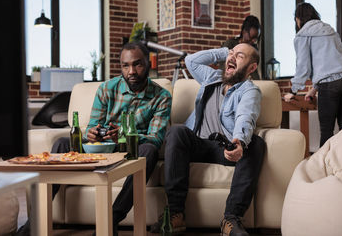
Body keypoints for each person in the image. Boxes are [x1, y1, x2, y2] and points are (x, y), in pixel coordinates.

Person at [17, 41, 172, 236]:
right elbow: (92, 125)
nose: (131, 71)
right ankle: (34, 223)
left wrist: (123, 137)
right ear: (121, 67)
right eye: (126, 65)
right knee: (62, 143)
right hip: (102, 146)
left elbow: (155, 138)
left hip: (134, 148)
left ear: (148, 64)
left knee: (149, 151)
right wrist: (91, 133)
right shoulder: (107, 89)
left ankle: (110, 220)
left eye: (137, 64)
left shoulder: (162, 96)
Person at [150, 43, 266, 236]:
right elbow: (191, 60)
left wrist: (239, 142)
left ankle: (231, 219)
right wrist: (224, 52)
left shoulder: (249, 91)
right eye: (231, 54)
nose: (232, 58)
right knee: (177, 131)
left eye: (240, 56)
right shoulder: (211, 77)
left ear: (251, 68)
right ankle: (176, 213)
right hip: (198, 143)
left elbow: (245, 116)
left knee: (256, 143)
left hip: (225, 149)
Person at [283, 2, 342, 147]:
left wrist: (293, 91)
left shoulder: (302, 35)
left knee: (327, 132)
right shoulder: (328, 29)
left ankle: (323, 168)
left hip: (331, 84)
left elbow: (303, 68)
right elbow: (333, 61)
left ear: (298, 18)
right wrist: (315, 88)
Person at [221, 15, 261, 80]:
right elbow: (223, 68)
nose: (254, 41)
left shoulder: (253, 49)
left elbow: (254, 72)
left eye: (256, 38)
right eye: (252, 37)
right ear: (244, 32)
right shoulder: (230, 44)